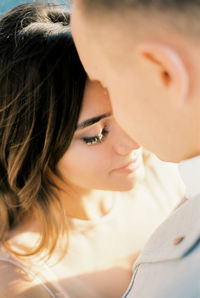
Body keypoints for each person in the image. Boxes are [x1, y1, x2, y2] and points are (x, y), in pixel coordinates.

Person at [0, 2, 183, 298]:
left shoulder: (164, 171)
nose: (134, 142)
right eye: (96, 135)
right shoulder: (23, 282)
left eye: (126, 112)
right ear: (34, 148)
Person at [71, 0, 200, 297]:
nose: (131, 142)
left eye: (107, 83)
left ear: (165, 72)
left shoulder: (179, 287)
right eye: (96, 133)